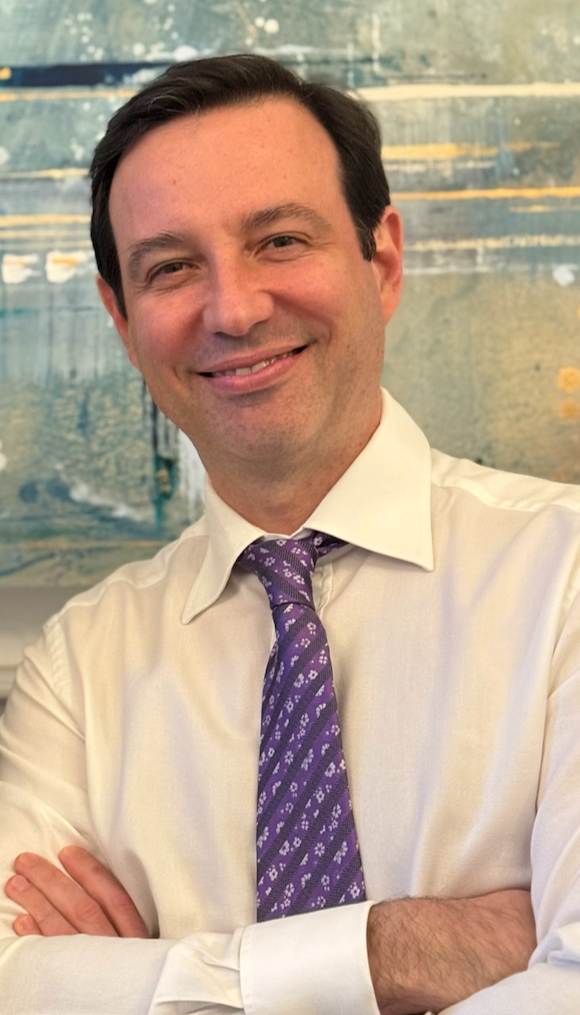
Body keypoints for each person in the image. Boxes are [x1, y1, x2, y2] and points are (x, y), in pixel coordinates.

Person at [0, 53, 579, 1014]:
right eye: (171, 267)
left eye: (279, 240)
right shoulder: (79, 669)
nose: (233, 309)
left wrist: (157, 977)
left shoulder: (565, 576)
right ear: (121, 316)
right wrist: (389, 949)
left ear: (381, 259)